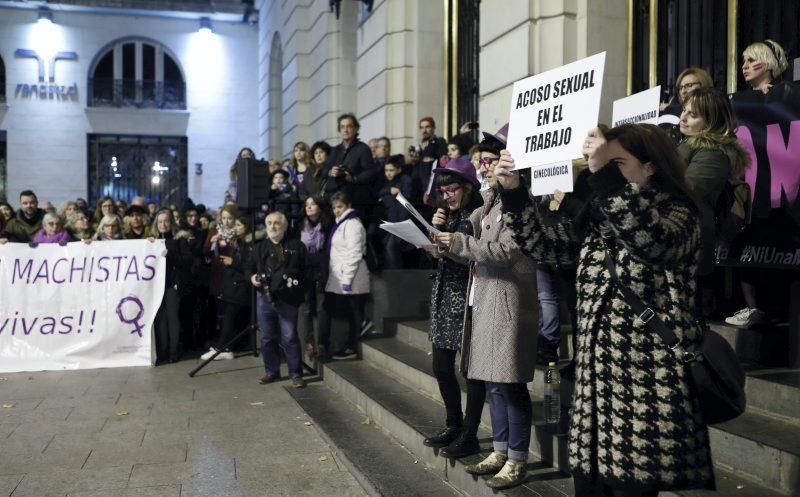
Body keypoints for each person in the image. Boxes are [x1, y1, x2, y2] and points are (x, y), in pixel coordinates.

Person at [496, 124, 714, 496]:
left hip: (644, 394)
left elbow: (652, 242)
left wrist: (607, 181)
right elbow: (542, 247)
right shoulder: (601, 226)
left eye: (616, 163)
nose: (602, 169)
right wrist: (515, 195)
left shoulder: (680, 214)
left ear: (650, 167)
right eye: (604, 163)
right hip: (595, 396)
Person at [433, 127, 537, 490]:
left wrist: (458, 241)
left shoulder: (518, 205)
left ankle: (518, 458)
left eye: (492, 162)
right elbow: (468, 234)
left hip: (507, 300)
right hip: (484, 297)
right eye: (483, 162)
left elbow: (504, 252)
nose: (485, 168)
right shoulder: (488, 203)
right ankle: (500, 448)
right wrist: (441, 231)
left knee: (510, 384)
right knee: (493, 384)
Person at [725, 39, 796, 328]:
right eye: (742, 61)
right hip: (749, 190)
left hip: (781, 195)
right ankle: (753, 307)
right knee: (747, 248)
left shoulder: (789, 96)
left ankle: (773, 310)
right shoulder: (738, 103)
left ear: (768, 63)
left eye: (751, 60)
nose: (743, 66)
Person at [420, 157, 484, 458]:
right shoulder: (450, 215)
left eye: (452, 190)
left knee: (471, 371)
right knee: (441, 366)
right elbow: (443, 256)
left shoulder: (477, 214)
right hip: (446, 297)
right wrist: (433, 238)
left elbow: (475, 254)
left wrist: (447, 245)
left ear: (468, 187)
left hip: (470, 299)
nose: (447, 196)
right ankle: (452, 424)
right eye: (443, 192)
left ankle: (469, 434)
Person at [678, 86, 750, 316]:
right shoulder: (686, 146)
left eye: (693, 114)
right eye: (684, 111)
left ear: (711, 121)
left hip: (690, 247)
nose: (683, 117)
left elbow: (687, 191)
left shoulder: (714, 153)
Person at [248, 212, 307, 388]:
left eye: (277, 223)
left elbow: (306, 271)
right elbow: (248, 268)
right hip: (264, 299)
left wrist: (298, 291)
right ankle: (271, 372)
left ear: (285, 226)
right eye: (270, 223)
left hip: (288, 299)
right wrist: (252, 277)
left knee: (290, 337)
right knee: (267, 338)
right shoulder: (259, 247)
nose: (273, 227)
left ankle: (296, 374)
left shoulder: (297, 246)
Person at [317, 191, 370, 361]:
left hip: (351, 277)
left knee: (352, 312)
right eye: (334, 208)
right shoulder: (341, 223)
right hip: (341, 275)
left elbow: (354, 253)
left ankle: (351, 346)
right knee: (346, 312)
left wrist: (346, 280)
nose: (336, 210)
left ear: (348, 206)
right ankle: (346, 343)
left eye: (339, 207)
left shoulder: (353, 224)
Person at [200, 216, 254, 361]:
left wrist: (233, 262)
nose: (235, 228)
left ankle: (223, 348)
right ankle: (224, 346)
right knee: (228, 317)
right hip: (231, 284)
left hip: (240, 286)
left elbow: (249, 265)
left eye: (238, 225)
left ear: (246, 227)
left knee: (230, 316)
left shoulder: (250, 243)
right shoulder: (237, 241)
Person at [151, 208, 194, 364]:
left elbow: (188, 261)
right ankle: (163, 351)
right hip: (156, 285)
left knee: (172, 318)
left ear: (171, 223)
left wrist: (171, 254)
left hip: (172, 284)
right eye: (160, 221)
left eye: (166, 221)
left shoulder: (179, 240)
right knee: (160, 318)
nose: (163, 224)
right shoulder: (152, 241)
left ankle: (173, 352)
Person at [295, 196, 333, 360]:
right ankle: (308, 345)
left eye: (313, 204)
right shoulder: (299, 225)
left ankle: (323, 346)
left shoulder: (328, 225)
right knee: (305, 310)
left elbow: (329, 250)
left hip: (323, 271)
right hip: (304, 272)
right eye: (307, 204)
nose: (309, 207)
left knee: (322, 308)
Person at [323, 113, 379, 207]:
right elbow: (324, 170)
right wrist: (330, 172)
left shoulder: (363, 148)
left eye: (349, 126)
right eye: (342, 127)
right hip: (335, 198)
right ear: (339, 130)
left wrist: (353, 178)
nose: (345, 130)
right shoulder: (335, 150)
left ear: (356, 129)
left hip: (355, 198)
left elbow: (370, 172)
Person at [375, 154, 414, 268]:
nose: (388, 173)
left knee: (391, 249)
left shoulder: (406, 180)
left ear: (399, 169)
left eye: (391, 170)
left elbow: (406, 202)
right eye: (386, 170)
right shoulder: (386, 182)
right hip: (388, 222)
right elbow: (378, 193)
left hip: (400, 223)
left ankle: (396, 279)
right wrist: (388, 190)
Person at [410, 117, 448, 202]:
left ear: (433, 127)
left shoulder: (439, 141)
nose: (424, 130)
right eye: (422, 127)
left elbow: (441, 164)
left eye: (427, 127)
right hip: (417, 187)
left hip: (431, 187)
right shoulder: (418, 146)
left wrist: (429, 191)